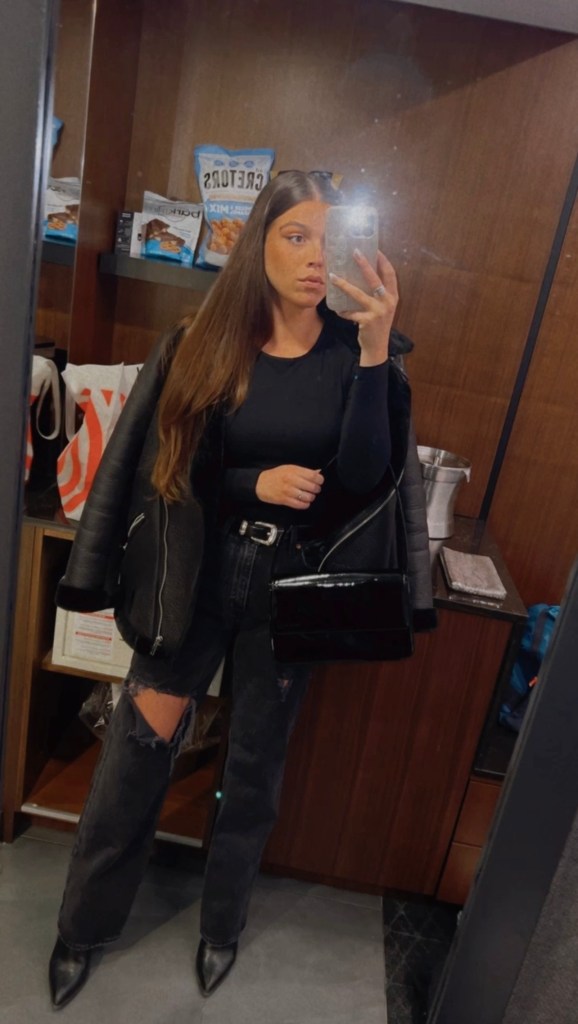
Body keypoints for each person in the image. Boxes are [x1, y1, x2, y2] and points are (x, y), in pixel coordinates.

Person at [47, 170, 434, 1009]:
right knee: (137, 751)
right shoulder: (202, 342)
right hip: (197, 572)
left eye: (329, 239)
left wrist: (375, 353)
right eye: (296, 236)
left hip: (292, 584)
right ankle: (82, 926)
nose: (314, 257)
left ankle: (221, 924)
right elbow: (164, 469)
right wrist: (251, 485)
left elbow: (365, 479)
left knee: (255, 767)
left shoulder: (356, 354)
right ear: (259, 243)